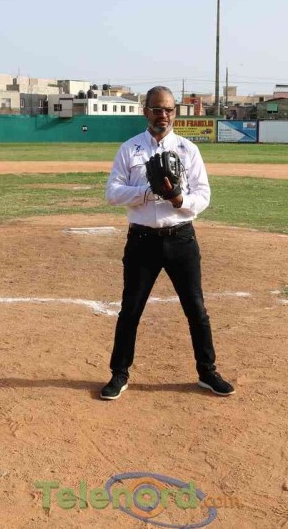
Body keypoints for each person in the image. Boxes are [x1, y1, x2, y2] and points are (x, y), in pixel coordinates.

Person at [100, 85, 235, 400]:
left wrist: (177, 199)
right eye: (158, 109)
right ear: (146, 111)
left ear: (175, 113)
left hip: (181, 239)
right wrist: (148, 192)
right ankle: (119, 374)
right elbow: (112, 193)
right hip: (142, 240)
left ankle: (207, 372)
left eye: (169, 109)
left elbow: (203, 195)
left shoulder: (188, 150)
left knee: (196, 309)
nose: (164, 115)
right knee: (130, 310)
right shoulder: (130, 149)